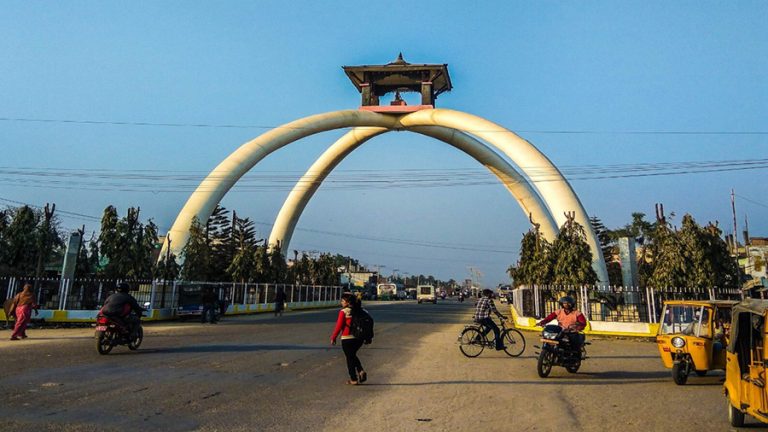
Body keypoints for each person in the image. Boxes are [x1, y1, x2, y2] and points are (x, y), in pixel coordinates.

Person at [330, 293, 367, 385]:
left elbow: (339, 326)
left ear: (348, 302)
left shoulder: (344, 312)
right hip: (359, 338)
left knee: (350, 358)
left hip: (347, 338)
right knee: (352, 355)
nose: (341, 302)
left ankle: (353, 379)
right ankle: (360, 371)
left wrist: (333, 337)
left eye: (343, 301)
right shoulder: (362, 311)